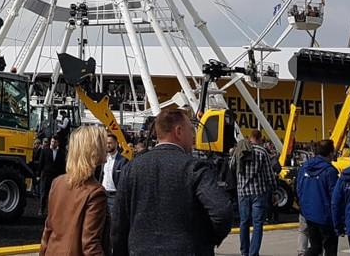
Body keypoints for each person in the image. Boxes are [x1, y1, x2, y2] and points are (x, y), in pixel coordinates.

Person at [111, 107, 233, 255]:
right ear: (179, 131)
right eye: (191, 130)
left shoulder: (131, 168)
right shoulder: (194, 168)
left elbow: (118, 223)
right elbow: (222, 211)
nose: (193, 136)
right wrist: (206, 240)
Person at [40, 125, 111, 255]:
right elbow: (90, 244)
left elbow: (48, 230)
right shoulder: (95, 192)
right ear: (93, 150)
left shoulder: (57, 183)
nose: (106, 147)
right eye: (103, 143)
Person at [235, 130, 278, 256]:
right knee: (257, 223)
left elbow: (232, 167)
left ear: (250, 138)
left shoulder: (239, 150)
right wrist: (274, 191)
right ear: (259, 139)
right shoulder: (262, 152)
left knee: (244, 222)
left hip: (242, 192)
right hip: (258, 193)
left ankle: (244, 252)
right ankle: (253, 253)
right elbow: (269, 174)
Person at [297, 139, 339, 256]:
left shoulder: (305, 167)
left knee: (315, 247)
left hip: (309, 214)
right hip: (325, 216)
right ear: (330, 153)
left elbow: (299, 189)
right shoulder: (330, 171)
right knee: (330, 248)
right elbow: (335, 196)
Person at [100, 131, 129, 215]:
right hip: (103, 194)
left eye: (110, 143)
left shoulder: (123, 160)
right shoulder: (104, 159)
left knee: (113, 220)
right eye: (106, 143)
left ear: (116, 144)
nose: (107, 145)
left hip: (115, 196)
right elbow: (102, 176)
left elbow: (124, 181)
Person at [39, 136, 66, 216]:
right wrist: (38, 175)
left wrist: (63, 176)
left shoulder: (61, 153)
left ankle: (51, 210)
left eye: (55, 142)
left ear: (58, 143)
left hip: (56, 176)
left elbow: (62, 165)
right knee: (43, 193)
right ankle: (41, 209)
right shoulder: (45, 151)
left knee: (54, 194)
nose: (53, 143)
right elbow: (41, 163)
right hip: (46, 175)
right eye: (52, 141)